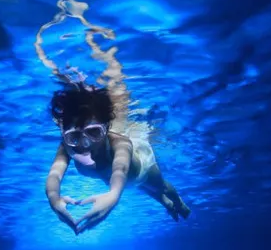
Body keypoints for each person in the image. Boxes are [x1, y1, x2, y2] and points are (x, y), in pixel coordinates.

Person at [45, 81, 190, 234]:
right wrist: (53, 198)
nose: (85, 143)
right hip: (122, 182)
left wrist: (113, 195)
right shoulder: (67, 147)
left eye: (94, 132)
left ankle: (179, 203)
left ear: (107, 127)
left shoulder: (120, 143)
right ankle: (165, 202)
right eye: (74, 136)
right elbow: (54, 174)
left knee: (160, 186)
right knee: (141, 187)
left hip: (142, 169)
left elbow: (120, 169)